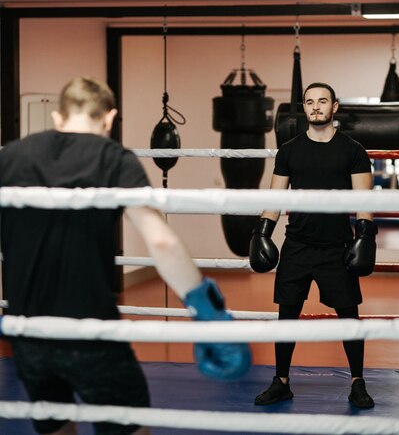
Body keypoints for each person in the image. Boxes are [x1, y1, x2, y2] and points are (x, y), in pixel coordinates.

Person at [0, 76, 251, 435]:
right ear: (109, 117)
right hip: (91, 333)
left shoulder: (10, 156)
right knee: (131, 430)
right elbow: (160, 241)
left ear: (58, 117)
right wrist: (206, 308)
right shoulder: (113, 158)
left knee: (55, 427)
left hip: (26, 334)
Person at [249, 82, 377, 409]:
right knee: (287, 314)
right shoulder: (290, 150)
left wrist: (366, 233)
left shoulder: (353, 150)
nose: (316, 107)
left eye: (322, 101)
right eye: (309, 102)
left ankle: (357, 382)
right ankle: (281, 382)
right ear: (304, 108)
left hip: (336, 245)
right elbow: (276, 196)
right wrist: (263, 231)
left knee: (349, 315)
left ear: (335, 106)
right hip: (298, 245)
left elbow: (363, 197)